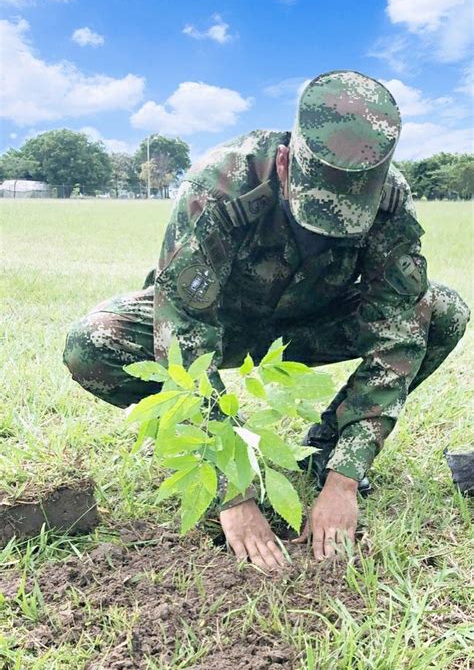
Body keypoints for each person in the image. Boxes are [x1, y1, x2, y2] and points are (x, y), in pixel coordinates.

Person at [64, 70, 470, 571]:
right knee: (91, 342)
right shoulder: (217, 186)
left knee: (443, 311)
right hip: (222, 323)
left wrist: (345, 476)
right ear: (284, 163)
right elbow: (184, 337)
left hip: (317, 322)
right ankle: (222, 450)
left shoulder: (390, 198)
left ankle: (324, 447)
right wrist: (232, 493)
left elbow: (399, 330)